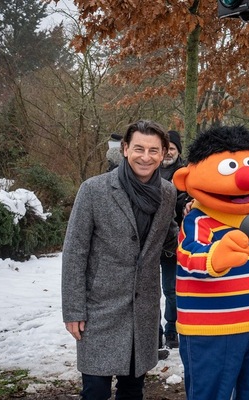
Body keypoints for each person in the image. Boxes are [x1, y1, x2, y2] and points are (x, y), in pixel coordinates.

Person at [62, 119, 178, 400]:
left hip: (143, 310)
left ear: (163, 153)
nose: (146, 157)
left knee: (133, 389)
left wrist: (198, 219)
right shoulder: (94, 189)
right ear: (125, 149)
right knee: (95, 390)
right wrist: (73, 310)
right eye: (139, 148)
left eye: (154, 150)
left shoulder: (168, 193)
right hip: (100, 309)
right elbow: (75, 250)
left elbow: (168, 238)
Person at [172, 125, 249, 400]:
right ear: (186, 179)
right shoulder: (198, 220)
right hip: (211, 329)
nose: (244, 178)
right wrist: (215, 258)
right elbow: (187, 254)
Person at [157, 130, 187, 351]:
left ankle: (171, 329)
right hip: (147, 241)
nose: (168, 153)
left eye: (172, 149)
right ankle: (153, 332)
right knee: (148, 291)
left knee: (171, 289)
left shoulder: (184, 175)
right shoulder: (148, 172)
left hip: (172, 241)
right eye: (165, 149)